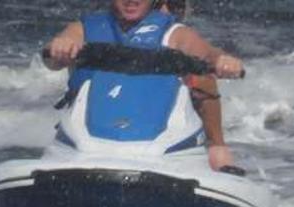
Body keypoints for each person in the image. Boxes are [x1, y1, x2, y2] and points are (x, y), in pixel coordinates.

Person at [44, 0, 245, 171]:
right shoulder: (84, 29)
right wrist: (60, 46)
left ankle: (217, 147)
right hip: (83, 143)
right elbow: (53, 58)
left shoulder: (175, 33)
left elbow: (207, 54)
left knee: (199, 76)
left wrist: (222, 61)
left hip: (158, 145)